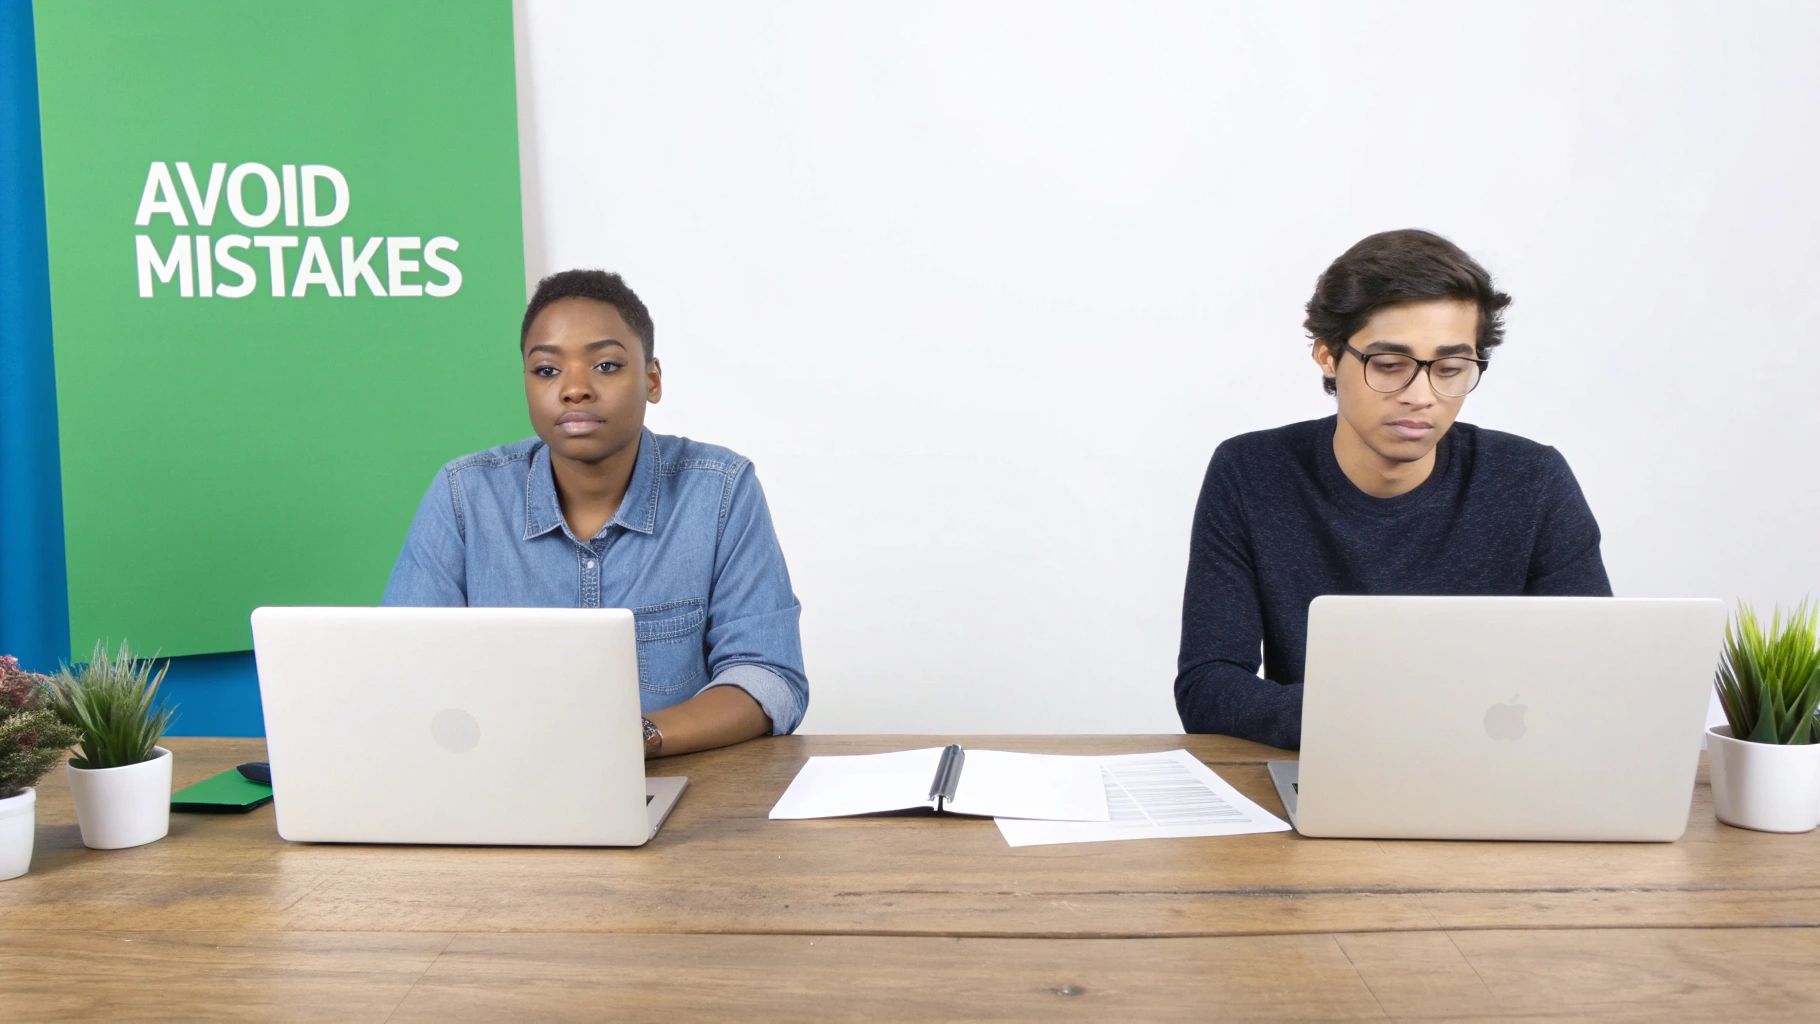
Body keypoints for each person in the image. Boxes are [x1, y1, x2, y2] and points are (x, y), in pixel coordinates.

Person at [1175, 229, 1610, 749]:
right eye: (1389, 366)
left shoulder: (1532, 480)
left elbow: (1591, 677)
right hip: (1326, 764)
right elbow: (1208, 684)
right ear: (1327, 356)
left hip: (1498, 772)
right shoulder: (1251, 473)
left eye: (1450, 369)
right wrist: (1371, 722)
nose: (1422, 396)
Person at [383, 269, 807, 757]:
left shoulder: (721, 490)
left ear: (651, 379)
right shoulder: (465, 495)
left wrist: (633, 739)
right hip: (498, 782)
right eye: (547, 370)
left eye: (605, 366)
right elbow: (405, 671)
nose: (575, 389)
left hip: (680, 783)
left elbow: (768, 676)